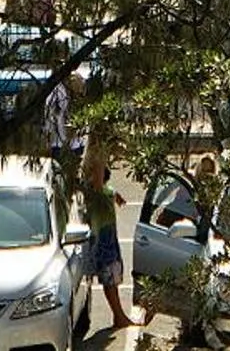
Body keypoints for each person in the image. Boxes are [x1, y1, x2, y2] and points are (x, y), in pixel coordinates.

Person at [80, 138, 143, 333]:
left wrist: (116, 195)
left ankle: (119, 316)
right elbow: (98, 180)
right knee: (109, 279)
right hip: (102, 239)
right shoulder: (93, 186)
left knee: (113, 278)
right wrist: (100, 148)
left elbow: (108, 189)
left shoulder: (103, 187)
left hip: (109, 236)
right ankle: (119, 316)